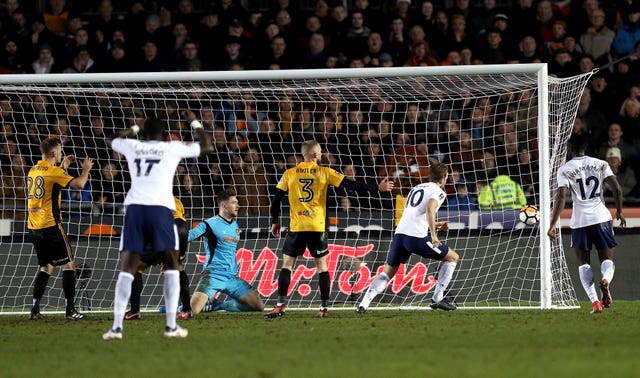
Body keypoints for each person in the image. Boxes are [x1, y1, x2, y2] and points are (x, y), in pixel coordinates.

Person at [102, 111, 212, 340]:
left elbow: (110, 139)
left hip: (134, 209)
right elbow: (207, 146)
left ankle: (116, 327)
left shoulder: (134, 146)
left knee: (129, 266)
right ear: (163, 135)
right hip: (161, 209)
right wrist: (193, 120)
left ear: (144, 133)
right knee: (172, 263)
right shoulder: (171, 148)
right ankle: (171, 326)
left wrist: (133, 128)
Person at [265, 140, 394, 319]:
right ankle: (324, 308)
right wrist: (377, 188)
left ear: (303, 155)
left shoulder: (289, 173)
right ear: (316, 155)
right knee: (322, 267)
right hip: (317, 227)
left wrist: (275, 222)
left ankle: (279, 306)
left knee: (287, 265)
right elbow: (351, 185)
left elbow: (276, 199)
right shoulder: (325, 172)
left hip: (297, 226)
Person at [356, 163, 460, 313]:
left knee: (387, 272)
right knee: (453, 257)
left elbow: (415, 215)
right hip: (416, 237)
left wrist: (437, 224)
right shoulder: (438, 192)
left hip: (400, 236)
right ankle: (437, 299)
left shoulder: (416, 188)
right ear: (444, 178)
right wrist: (434, 235)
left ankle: (363, 305)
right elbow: (430, 209)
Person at [547, 134, 626, 314]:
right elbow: (617, 189)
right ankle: (605, 280)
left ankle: (595, 303)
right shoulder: (601, 164)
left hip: (580, 220)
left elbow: (561, 196)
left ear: (570, 148)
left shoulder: (565, 169)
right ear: (585, 147)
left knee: (584, 264)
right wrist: (619, 211)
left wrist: (553, 223)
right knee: (606, 259)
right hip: (601, 218)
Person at [27, 136, 94, 320]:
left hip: (33, 226)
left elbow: (51, 185)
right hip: (50, 225)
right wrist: (86, 170)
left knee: (46, 267)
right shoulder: (52, 171)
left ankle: (34, 309)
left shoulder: (33, 170)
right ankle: (70, 310)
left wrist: (63, 167)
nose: (62, 154)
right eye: (61, 152)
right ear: (54, 153)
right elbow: (79, 184)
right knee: (68, 264)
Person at [188, 189, 264, 315]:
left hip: (231, 277)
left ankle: (217, 305)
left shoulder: (235, 225)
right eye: (234, 202)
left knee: (258, 306)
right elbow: (189, 236)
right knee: (193, 310)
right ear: (224, 205)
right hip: (213, 275)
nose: (238, 206)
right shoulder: (209, 224)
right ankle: (177, 308)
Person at [124, 196, 194, 320]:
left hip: (164, 227)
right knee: (178, 267)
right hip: (182, 228)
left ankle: (134, 311)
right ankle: (187, 310)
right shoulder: (175, 199)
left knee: (136, 267)